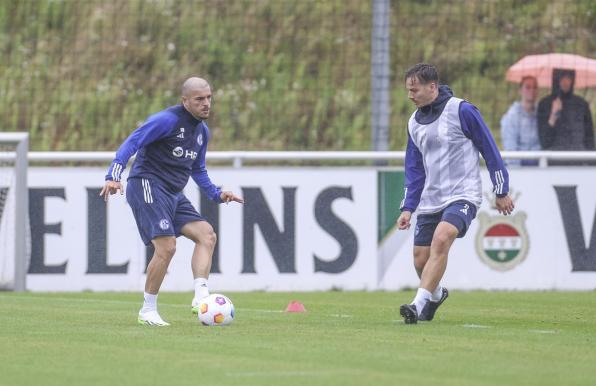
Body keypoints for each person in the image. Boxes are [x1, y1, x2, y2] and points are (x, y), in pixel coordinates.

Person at [100, 77, 244, 326]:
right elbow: (133, 141)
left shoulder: (202, 132)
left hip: (173, 193)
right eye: (199, 99)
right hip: (147, 184)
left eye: (209, 97)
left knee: (207, 235)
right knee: (167, 247)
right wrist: (113, 175)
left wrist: (216, 194)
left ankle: (201, 297)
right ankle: (147, 310)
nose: (206, 103)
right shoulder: (166, 121)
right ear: (185, 101)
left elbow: (197, 169)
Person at [397, 64, 514, 324]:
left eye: (414, 90)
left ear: (432, 87)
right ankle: (435, 295)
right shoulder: (414, 123)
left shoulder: (462, 110)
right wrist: (408, 207)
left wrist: (501, 189)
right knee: (420, 260)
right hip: (430, 199)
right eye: (408, 90)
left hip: (462, 194)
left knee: (442, 238)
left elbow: (489, 149)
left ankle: (416, 305)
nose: (410, 96)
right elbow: (414, 170)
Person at [537, 69, 594, 164]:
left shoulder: (582, 104)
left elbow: (590, 140)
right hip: (553, 163)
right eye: (562, 77)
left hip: (579, 163)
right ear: (556, 79)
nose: (565, 82)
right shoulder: (544, 104)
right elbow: (544, 142)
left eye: (568, 78)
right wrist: (553, 116)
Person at [500, 76, 540, 166]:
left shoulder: (542, 114)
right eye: (528, 87)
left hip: (540, 166)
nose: (532, 90)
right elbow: (511, 151)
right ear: (520, 91)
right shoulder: (511, 117)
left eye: (535, 87)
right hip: (518, 168)